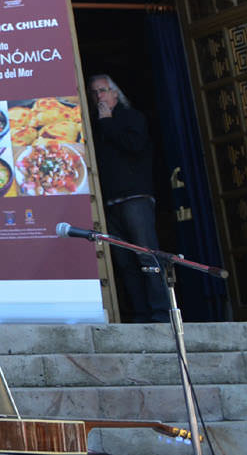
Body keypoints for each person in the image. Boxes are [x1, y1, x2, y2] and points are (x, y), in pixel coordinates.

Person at [91, 74, 166, 323]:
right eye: (94, 93)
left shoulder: (131, 117)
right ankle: (140, 315)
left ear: (115, 93)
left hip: (135, 197)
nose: (99, 97)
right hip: (110, 201)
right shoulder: (96, 124)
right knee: (124, 262)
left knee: (146, 255)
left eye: (102, 91)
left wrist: (108, 122)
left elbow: (134, 146)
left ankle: (161, 313)